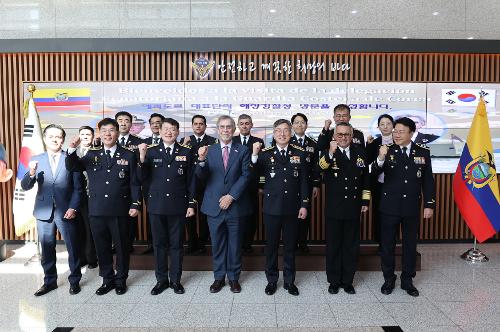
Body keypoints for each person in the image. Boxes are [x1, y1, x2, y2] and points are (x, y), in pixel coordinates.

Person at [66, 118, 141, 296]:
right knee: (102, 246)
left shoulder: (128, 154)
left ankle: (121, 280)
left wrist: (135, 203)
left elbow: (134, 183)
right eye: (104, 130)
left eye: (111, 130)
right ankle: (107, 280)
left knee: (122, 247)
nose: (108, 134)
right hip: (97, 209)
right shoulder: (92, 154)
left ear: (117, 132)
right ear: (100, 133)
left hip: (120, 210)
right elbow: (73, 167)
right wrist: (71, 149)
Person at [372, 117, 435, 297]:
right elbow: (374, 173)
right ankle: (388, 279)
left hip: (411, 207)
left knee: (410, 245)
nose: (396, 134)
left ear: (411, 133)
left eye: (401, 131)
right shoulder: (387, 150)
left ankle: (407, 280)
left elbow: (428, 180)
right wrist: (381, 158)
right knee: (388, 245)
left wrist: (429, 204)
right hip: (389, 206)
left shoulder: (422, 152)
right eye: (395, 131)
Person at [21, 124, 82, 296]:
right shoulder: (37, 159)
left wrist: (73, 207)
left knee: (73, 247)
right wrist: (31, 172)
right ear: (45, 139)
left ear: (63, 139)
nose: (55, 140)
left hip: (66, 211)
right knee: (47, 249)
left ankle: (75, 281)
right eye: (51, 136)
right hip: (43, 212)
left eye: (59, 137)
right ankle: (49, 281)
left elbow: (79, 188)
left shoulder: (70, 158)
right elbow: (26, 186)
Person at [138, 118, 196, 295]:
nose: (169, 132)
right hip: (156, 205)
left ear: (178, 132)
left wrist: (191, 203)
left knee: (177, 245)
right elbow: (140, 178)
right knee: (159, 244)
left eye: (173, 129)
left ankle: (176, 280)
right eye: (165, 129)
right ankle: (161, 280)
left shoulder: (186, 151)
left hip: (178, 205)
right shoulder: (150, 151)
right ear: (159, 131)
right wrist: (141, 158)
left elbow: (191, 180)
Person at [195, 115, 252, 293]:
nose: (226, 130)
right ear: (217, 130)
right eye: (222, 127)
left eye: (229, 127)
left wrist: (231, 196)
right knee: (218, 244)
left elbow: (245, 176)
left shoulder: (242, 150)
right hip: (213, 207)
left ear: (234, 130)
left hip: (235, 206)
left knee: (235, 244)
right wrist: (201, 161)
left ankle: (234, 278)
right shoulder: (208, 150)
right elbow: (200, 177)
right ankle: (219, 278)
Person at [252, 119, 309, 296]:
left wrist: (304, 204)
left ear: (291, 133)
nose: (282, 134)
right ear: (274, 134)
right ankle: (271, 281)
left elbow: (304, 182)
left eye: (285, 130)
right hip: (272, 208)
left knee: (290, 246)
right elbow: (252, 174)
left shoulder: (300, 153)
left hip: (293, 208)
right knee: (271, 247)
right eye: (278, 131)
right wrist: (254, 156)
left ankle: (289, 281)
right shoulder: (264, 153)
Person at [318, 122, 370, 295]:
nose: (343, 138)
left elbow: (366, 180)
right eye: (339, 134)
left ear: (352, 134)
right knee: (333, 246)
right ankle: (333, 281)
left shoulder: (360, 152)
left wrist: (365, 201)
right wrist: (331, 152)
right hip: (334, 207)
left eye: (346, 134)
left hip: (353, 207)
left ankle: (348, 280)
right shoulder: (328, 153)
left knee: (351, 246)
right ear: (334, 135)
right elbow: (319, 169)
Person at [181, 115, 217, 254]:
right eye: (195, 124)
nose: (198, 126)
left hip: (205, 183)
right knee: (188, 214)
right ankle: (192, 241)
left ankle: (202, 242)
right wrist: (184, 145)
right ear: (192, 126)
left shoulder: (212, 141)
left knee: (204, 214)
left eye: (201, 124)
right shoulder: (185, 141)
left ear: (205, 126)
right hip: (188, 182)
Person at [232, 114, 264, 254]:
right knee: (235, 215)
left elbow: (263, 165)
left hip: (251, 185)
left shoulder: (258, 141)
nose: (244, 126)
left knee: (251, 215)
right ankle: (237, 243)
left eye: (247, 123)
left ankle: (247, 244)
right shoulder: (231, 141)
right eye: (242, 123)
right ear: (238, 126)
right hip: (234, 186)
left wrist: (261, 185)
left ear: (251, 125)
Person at [290, 113, 321, 253]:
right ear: (292, 126)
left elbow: (316, 166)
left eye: (302, 122)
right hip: (289, 185)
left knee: (304, 213)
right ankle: (291, 243)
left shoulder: (313, 144)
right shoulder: (285, 141)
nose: (299, 125)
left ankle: (302, 242)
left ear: (306, 125)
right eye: (296, 122)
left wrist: (316, 184)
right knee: (290, 215)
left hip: (306, 185)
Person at [115, 111, 144, 253]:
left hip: (131, 186)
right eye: (120, 120)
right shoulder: (107, 141)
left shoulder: (138, 142)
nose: (123, 123)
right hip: (114, 187)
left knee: (130, 218)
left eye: (126, 120)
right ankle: (116, 245)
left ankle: (128, 244)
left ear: (131, 124)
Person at [366, 114, 395, 250]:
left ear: (393, 126)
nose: (385, 126)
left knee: (393, 215)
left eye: (388, 123)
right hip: (378, 184)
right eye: (382, 124)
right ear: (378, 127)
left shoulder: (398, 141)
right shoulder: (375, 142)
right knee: (379, 213)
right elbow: (366, 161)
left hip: (394, 185)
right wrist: (368, 145)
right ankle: (380, 243)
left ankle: (391, 243)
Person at [141, 112, 165, 254]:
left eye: (158, 122)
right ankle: (152, 244)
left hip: (168, 186)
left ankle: (166, 244)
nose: (156, 125)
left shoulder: (171, 140)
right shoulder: (143, 144)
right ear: (150, 126)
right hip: (149, 186)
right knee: (152, 216)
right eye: (153, 123)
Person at [75, 125, 98, 269]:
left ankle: (92, 258)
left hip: (93, 195)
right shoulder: (71, 152)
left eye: (88, 134)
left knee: (91, 228)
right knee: (78, 228)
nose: (85, 136)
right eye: (82, 134)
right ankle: (81, 257)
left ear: (92, 136)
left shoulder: (98, 151)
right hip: (76, 196)